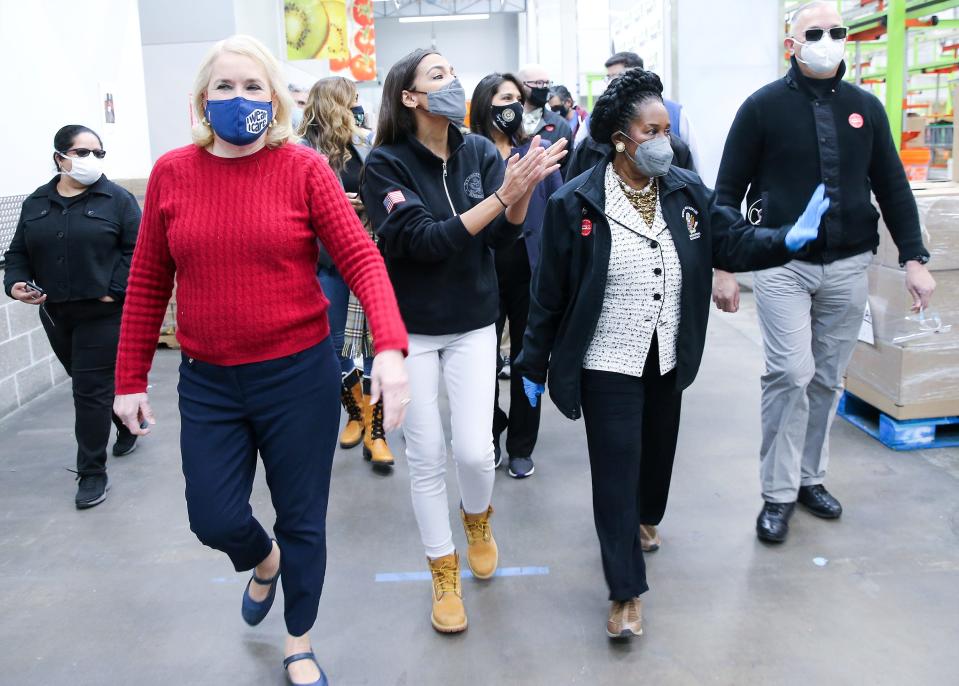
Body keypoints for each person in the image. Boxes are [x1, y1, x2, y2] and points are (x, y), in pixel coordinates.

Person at [112, 35, 409, 686]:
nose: (239, 98)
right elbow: (146, 282)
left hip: (297, 377)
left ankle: (298, 642)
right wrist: (128, 379)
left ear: (274, 100)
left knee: (303, 517)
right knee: (212, 516)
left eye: (253, 87)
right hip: (209, 382)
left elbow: (361, 257)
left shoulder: (302, 170)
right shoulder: (171, 174)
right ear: (201, 99)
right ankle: (262, 559)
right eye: (225, 86)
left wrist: (388, 346)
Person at [513, 68, 829, 640]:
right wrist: (533, 365)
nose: (666, 141)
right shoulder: (574, 203)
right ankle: (625, 593)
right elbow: (549, 296)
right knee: (614, 471)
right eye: (652, 130)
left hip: (666, 355)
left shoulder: (684, 190)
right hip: (606, 359)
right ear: (620, 139)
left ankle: (646, 518)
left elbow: (728, 241)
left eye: (666, 129)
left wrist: (783, 239)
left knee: (655, 460)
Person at [714, 1, 935, 544]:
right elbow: (725, 194)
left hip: (849, 263)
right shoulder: (762, 108)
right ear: (792, 44)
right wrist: (723, 264)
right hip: (781, 264)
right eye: (815, 31)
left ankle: (809, 478)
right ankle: (776, 493)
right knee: (790, 372)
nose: (829, 39)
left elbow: (891, 182)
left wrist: (914, 257)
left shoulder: (865, 107)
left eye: (837, 30)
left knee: (826, 379)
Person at [361, 49, 565, 634]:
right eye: (437, 76)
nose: (452, 83)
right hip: (414, 331)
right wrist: (504, 195)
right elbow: (422, 241)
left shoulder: (476, 151)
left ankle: (477, 518)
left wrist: (521, 186)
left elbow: (501, 237)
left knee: (476, 452)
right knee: (425, 459)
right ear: (409, 96)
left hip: (476, 321)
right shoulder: (386, 165)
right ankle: (442, 570)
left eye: (452, 73)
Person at [4, 125, 142, 510]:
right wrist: (14, 283)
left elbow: (138, 251)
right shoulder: (35, 203)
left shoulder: (118, 200)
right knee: (85, 382)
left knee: (88, 390)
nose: (91, 161)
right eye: (83, 153)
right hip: (55, 312)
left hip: (102, 312)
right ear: (59, 158)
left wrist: (112, 290)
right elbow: (17, 255)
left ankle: (92, 473)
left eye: (98, 153)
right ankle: (122, 420)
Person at [470, 72, 564, 479]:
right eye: (503, 97)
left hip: (530, 274)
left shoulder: (535, 152)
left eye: (516, 97)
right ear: (484, 105)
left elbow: (558, 209)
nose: (512, 104)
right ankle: (489, 432)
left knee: (530, 361)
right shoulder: (467, 156)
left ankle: (522, 444)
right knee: (481, 362)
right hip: (481, 274)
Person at [299, 76, 394, 469]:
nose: (358, 107)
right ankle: (356, 412)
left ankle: (377, 430)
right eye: (351, 100)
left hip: (365, 255)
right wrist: (335, 204)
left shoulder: (366, 145)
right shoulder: (300, 152)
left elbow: (385, 193)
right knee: (334, 344)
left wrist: (362, 204)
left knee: (373, 343)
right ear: (332, 105)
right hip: (324, 261)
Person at [574, 52, 701, 171]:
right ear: (618, 139)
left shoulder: (677, 115)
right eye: (608, 77)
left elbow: (695, 169)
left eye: (617, 76)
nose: (611, 82)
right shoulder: (594, 122)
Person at [516, 64, 572, 175]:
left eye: (547, 83)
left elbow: (567, 171)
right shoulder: (508, 122)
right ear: (521, 86)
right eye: (539, 83)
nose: (545, 88)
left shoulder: (560, 125)